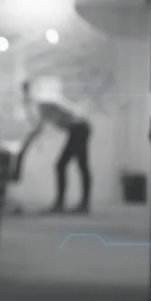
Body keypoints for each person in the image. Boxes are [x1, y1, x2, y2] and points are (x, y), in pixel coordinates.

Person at [19, 80, 92, 214]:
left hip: (79, 128)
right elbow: (39, 127)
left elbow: (38, 127)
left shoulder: (43, 104)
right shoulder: (41, 105)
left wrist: (26, 146)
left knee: (62, 165)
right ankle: (81, 204)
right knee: (80, 165)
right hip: (79, 128)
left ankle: (62, 204)